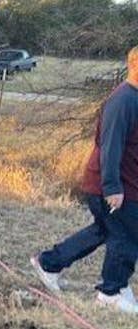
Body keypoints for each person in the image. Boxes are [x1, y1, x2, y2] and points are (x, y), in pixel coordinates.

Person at [31, 46, 138, 313]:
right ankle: (111, 292)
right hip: (111, 184)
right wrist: (112, 187)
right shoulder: (123, 100)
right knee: (125, 236)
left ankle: (49, 263)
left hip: (124, 184)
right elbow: (110, 145)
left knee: (105, 230)